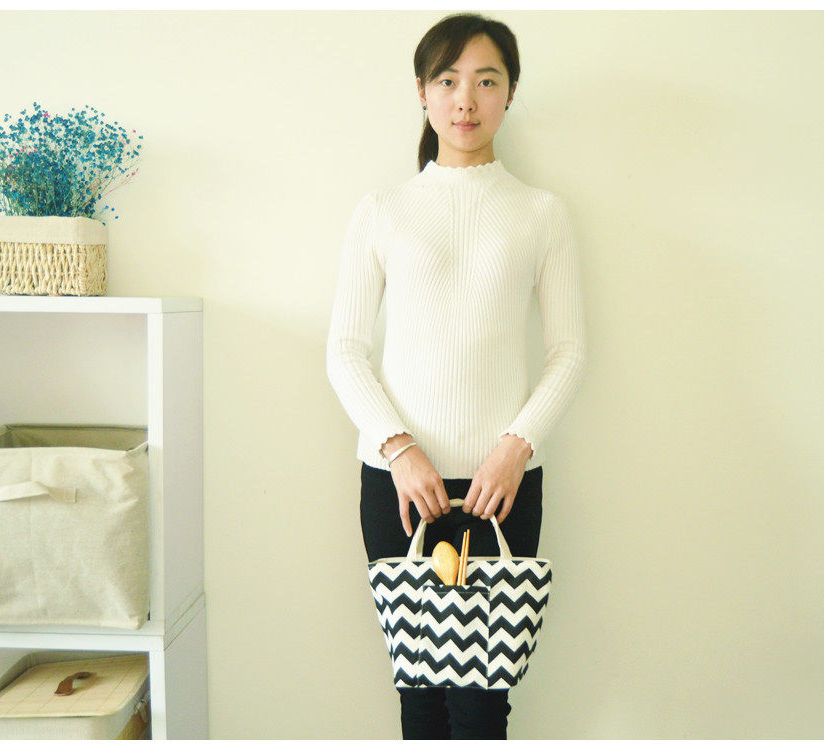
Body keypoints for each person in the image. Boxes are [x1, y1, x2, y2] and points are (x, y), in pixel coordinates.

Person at [325, 12, 587, 740]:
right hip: (398, 487)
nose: (465, 99)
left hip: (503, 485)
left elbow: (569, 351)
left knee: (481, 703)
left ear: (509, 94)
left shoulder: (541, 213)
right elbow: (344, 349)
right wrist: (399, 450)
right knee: (419, 695)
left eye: (485, 81)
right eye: (447, 80)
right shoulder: (382, 211)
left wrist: (515, 447)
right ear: (422, 92)